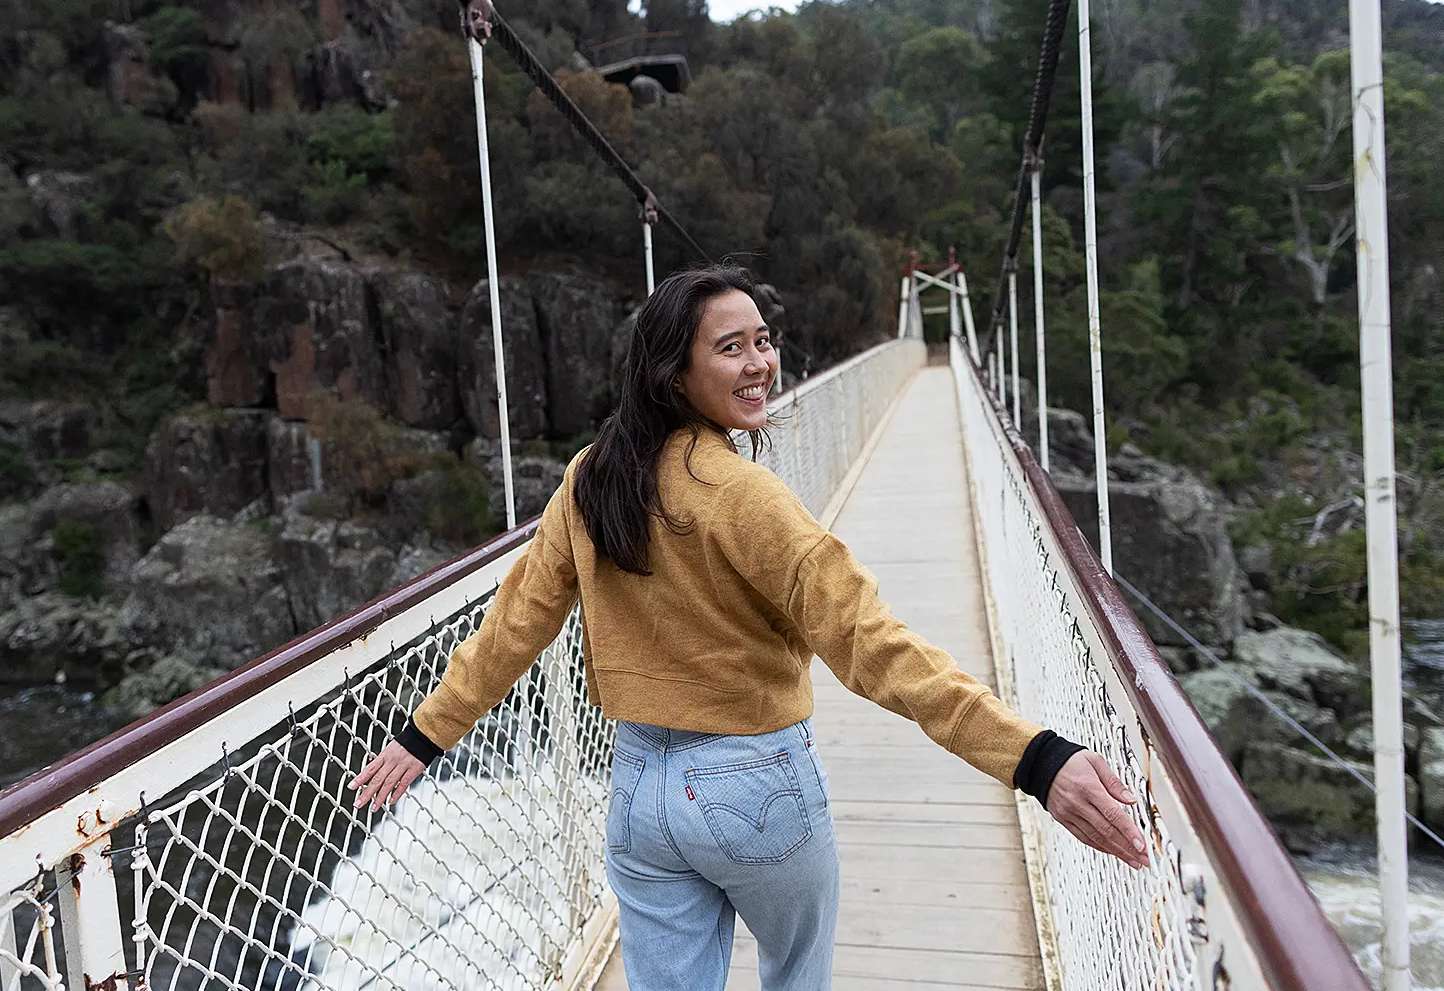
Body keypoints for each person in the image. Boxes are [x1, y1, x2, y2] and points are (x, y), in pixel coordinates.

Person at [350, 264, 1148, 991]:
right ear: (674, 373)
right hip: (755, 787)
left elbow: (515, 625)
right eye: (731, 348)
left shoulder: (591, 477)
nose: (761, 363)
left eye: (764, 341)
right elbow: (874, 647)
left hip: (638, 797)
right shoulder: (746, 498)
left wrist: (426, 738)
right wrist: (1035, 760)